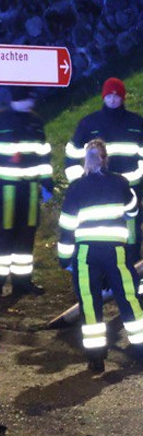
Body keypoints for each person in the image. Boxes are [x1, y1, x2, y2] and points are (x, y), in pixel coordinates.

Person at [57, 139, 143, 371]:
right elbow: (133, 210)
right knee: (128, 298)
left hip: (86, 253)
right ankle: (140, 349)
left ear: (85, 160)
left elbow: (66, 226)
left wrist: (64, 259)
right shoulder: (120, 182)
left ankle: (96, 358)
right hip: (115, 251)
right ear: (105, 159)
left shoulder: (76, 188)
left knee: (89, 302)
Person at [0, 86, 53, 296]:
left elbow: (44, 155)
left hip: (30, 190)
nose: (31, 102)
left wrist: (47, 183)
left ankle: (22, 284)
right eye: (27, 98)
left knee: (26, 238)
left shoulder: (36, 122)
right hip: (6, 191)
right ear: (17, 98)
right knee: (4, 240)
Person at [65, 77, 143, 262]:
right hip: (97, 192)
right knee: (102, 233)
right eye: (109, 95)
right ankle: (105, 277)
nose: (113, 99)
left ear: (123, 97)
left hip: (130, 189)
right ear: (103, 97)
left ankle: (130, 270)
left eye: (116, 95)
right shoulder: (89, 124)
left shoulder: (136, 123)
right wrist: (79, 184)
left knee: (131, 235)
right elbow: (72, 153)